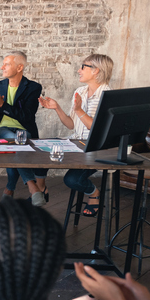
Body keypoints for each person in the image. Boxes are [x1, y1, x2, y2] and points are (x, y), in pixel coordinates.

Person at [39, 54, 114, 217]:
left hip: (96, 149)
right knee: (41, 149)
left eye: (83, 66)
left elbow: (97, 129)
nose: (79, 70)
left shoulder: (108, 96)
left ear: (96, 71)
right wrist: (57, 107)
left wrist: (79, 110)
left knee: (71, 180)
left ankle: (94, 194)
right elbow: (71, 124)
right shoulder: (80, 91)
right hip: (76, 143)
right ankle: (40, 189)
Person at [0, 51, 48, 206]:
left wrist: (3, 105)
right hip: (0, 130)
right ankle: (32, 186)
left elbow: (27, 116)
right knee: (15, 141)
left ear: (19, 67)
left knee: (16, 146)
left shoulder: (33, 87)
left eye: (7, 64)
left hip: (24, 130)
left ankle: (10, 188)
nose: (1, 67)